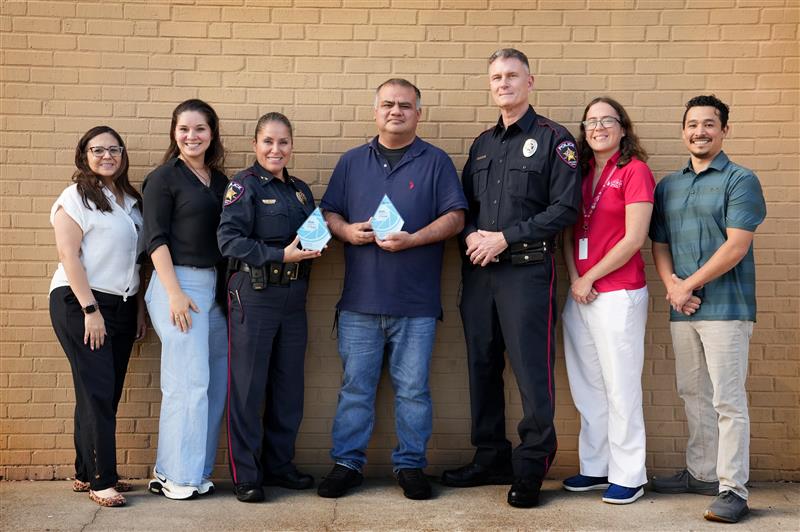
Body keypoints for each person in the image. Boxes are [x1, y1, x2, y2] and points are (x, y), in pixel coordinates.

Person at [441, 48, 581, 508]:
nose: (504, 83)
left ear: (530, 81)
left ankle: (530, 467)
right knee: (481, 366)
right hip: (480, 275)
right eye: (497, 77)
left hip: (526, 272)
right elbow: (463, 207)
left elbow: (565, 208)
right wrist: (472, 237)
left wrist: (504, 237)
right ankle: (490, 458)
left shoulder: (554, 140)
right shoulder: (482, 144)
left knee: (530, 372)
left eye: (512, 76)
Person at [317, 78, 467, 501]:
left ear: (419, 113)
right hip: (360, 302)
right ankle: (347, 463)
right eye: (387, 104)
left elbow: (456, 217)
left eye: (404, 105)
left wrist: (415, 238)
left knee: (414, 390)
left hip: (416, 303)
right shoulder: (351, 161)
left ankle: (411, 465)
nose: (395, 111)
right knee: (355, 388)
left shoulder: (436, 161)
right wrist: (345, 230)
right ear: (375, 110)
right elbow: (328, 211)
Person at [649, 95, 766, 524]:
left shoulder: (741, 179)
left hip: (728, 309)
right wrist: (672, 287)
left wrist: (688, 285)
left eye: (709, 125)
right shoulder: (669, 186)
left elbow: (736, 245)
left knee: (727, 400)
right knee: (693, 394)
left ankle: (733, 489)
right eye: (693, 125)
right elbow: (658, 244)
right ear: (684, 131)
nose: (700, 132)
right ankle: (701, 473)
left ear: (724, 130)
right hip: (683, 309)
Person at [217, 113, 320, 503]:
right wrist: (281, 254)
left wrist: (318, 240)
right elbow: (229, 241)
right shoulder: (243, 187)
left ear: (292, 146)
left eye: (283, 143)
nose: (276, 150)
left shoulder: (299, 191)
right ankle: (247, 475)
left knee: (288, 386)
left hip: (293, 299)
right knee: (247, 388)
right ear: (256, 145)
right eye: (268, 142)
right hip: (254, 296)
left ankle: (279, 466)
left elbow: (307, 240)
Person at [559, 97, 655, 505]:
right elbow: (566, 233)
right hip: (581, 291)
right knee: (587, 385)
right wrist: (577, 279)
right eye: (591, 121)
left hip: (619, 293)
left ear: (622, 128)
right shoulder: (578, 173)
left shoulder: (635, 171)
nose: (598, 127)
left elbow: (635, 239)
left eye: (607, 120)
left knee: (620, 386)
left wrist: (591, 277)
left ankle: (629, 474)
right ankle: (596, 466)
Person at [49, 126, 146, 507]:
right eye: (97, 149)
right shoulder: (75, 197)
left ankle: (83, 471)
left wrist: (137, 310)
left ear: (122, 154)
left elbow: (137, 263)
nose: (107, 156)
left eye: (114, 149)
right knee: (99, 392)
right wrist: (90, 309)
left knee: (102, 392)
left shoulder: (132, 203)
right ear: (84, 155)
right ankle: (102, 480)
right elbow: (68, 256)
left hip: (122, 306)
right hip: (80, 302)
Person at [142, 99, 228, 500]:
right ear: (173, 133)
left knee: (213, 384)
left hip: (212, 290)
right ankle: (178, 476)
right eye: (184, 129)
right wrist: (174, 293)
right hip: (177, 285)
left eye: (200, 129)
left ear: (212, 134)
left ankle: (190, 469)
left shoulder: (222, 180)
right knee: (187, 383)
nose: (192, 136)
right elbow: (155, 237)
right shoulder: (164, 178)